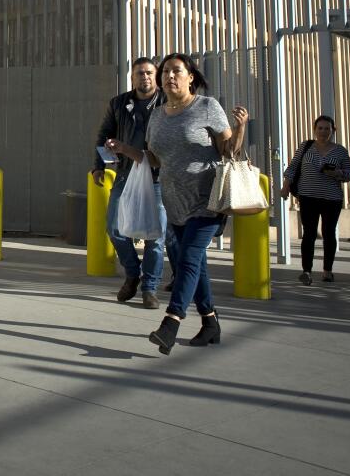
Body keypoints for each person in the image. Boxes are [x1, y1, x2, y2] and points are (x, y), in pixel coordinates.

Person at [106, 53, 248, 356]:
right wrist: (124, 149)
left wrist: (241, 129)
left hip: (207, 200)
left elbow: (228, 150)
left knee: (187, 259)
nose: (169, 76)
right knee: (196, 266)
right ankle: (210, 322)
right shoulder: (157, 115)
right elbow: (154, 158)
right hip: (175, 202)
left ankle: (171, 322)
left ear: (190, 77)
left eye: (176, 71)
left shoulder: (207, 107)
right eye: (166, 72)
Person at [92, 58, 166, 309]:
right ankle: (133, 273)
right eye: (139, 73)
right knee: (114, 228)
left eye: (148, 73)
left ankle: (150, 288)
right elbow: (104, 135)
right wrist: (99, 165)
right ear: (132, 77)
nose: (144, 77)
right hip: (125, 173)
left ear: (155, 76)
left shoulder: (167, 102)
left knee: (156, 237)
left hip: (158, 178)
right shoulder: (119, 103)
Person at [280, 115, 350, 285]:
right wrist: (285, 186)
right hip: (307, 197)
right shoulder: (306, 147)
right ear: (315, 130)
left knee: (329, 233)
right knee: (309, 234)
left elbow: (349, 173)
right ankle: (306, 271)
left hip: (331, 198)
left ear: (333, 131)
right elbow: (292, 167)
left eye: (327, 128)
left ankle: (327, 270)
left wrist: (337, 173)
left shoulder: (340, 151)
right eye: (320, 128)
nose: (323, 131)